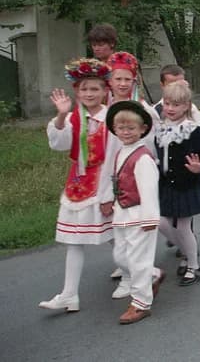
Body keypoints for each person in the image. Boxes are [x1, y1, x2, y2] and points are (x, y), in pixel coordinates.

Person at [39, 59, 113, 314]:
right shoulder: (72, 118)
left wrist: (110, 192)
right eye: (84, 89)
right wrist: (60, 115)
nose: (89, 94)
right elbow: (59, 144)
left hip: (104, 182)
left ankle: (142, 275)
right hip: (78, 184)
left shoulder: (112, 117)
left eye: (94, 89)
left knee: (118, 239)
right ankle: (69, 294)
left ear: (104, 90)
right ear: (76, 92)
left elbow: (117, 154)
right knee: (74, 241)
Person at [103, 101, 161, 324]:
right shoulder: (122, 152)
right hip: (122, 214)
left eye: (131, 128)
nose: (126, 133)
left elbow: (148, 190)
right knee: (121, 256)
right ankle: (153, 275)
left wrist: (149, 218)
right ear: (115, 129)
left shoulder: (143, 157)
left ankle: (140, 303)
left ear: (142, 129)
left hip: (139, 216)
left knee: (138, 259)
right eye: (121, 128)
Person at [154, 81, 200, 286]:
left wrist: (199, 170)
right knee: (161, 222)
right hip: (166, 185)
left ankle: (193, 265)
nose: (170, 109)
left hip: (186, 184)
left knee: (183, 227)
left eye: (176, 105)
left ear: (187, 106)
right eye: (167, 104)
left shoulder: (193, 131)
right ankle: (188, 253)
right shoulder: (161, 129)